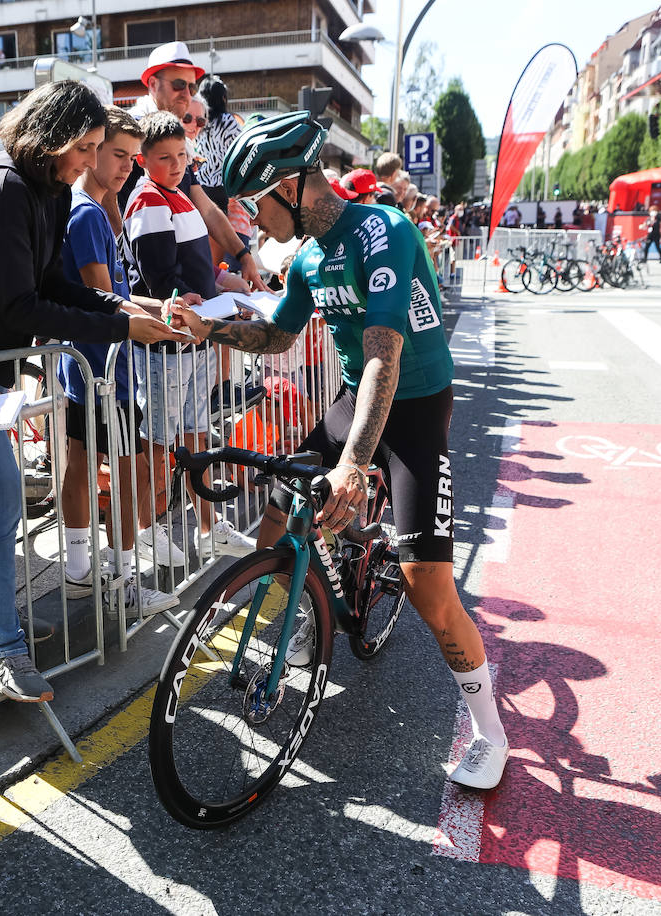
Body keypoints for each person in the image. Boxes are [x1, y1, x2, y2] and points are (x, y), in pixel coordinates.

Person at [170, 112, 511, 791]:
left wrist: (355, 463)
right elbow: (276, 337)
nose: (254, 224)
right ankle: (301, 603)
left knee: (427, 587)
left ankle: (490, 733)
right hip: (357, 398)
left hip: (413, 405)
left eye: (256, 207)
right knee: (281, 499)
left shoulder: (382, 231)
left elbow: (386, 357)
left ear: (291, 186)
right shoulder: (309, 258)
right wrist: (208, 330)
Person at [0, 80, 187, 702]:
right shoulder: (1, 191)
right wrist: (120, 322)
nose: (87, 160)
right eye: (84, 146)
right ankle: (6, 648)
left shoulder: (45, 191)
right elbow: (23, 305)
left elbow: (59, 284)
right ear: (49, 136)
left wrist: (128, 307)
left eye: (96, 147)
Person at [60, 106, 183, 609]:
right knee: (128, 472)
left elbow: (110, 294)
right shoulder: (86, 212)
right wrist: (162, 316)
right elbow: (103, 295)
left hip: (88, 365)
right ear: (89, 151)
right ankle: (125, 586)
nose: (128, 165)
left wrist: (166, 308)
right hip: (105, 368)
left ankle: (78, 569)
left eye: (133, 156)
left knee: (83, 464)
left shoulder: (87, 207)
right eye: (118, 154)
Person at [124, 111, 257, 560]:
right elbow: (158, 277)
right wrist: (196, 296)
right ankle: (146, 529)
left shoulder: (177, 195)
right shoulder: (148, 200)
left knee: (197, 434)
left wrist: (221, 284)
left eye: (182, 155)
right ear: (144, 161)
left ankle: (207, 526)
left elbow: (194, 268)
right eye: (165, 157)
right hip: (167, 343)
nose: (177, 164)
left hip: (192, 339)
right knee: (158, 443)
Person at [124, 42, 268, 292]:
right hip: (155, 293)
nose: (186, 93)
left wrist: (243, 256)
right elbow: (112, 212)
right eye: (178, 84)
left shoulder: (179, 141)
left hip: (182, 286)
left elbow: (207, 210)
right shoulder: (130, 134)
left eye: (191, 86)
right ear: (153, 85)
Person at [193, 74, 243, 213]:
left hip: (200, 186)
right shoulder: (228, 122)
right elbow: (241, 152)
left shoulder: (199, 123)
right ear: (222, 98)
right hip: (223, 187)